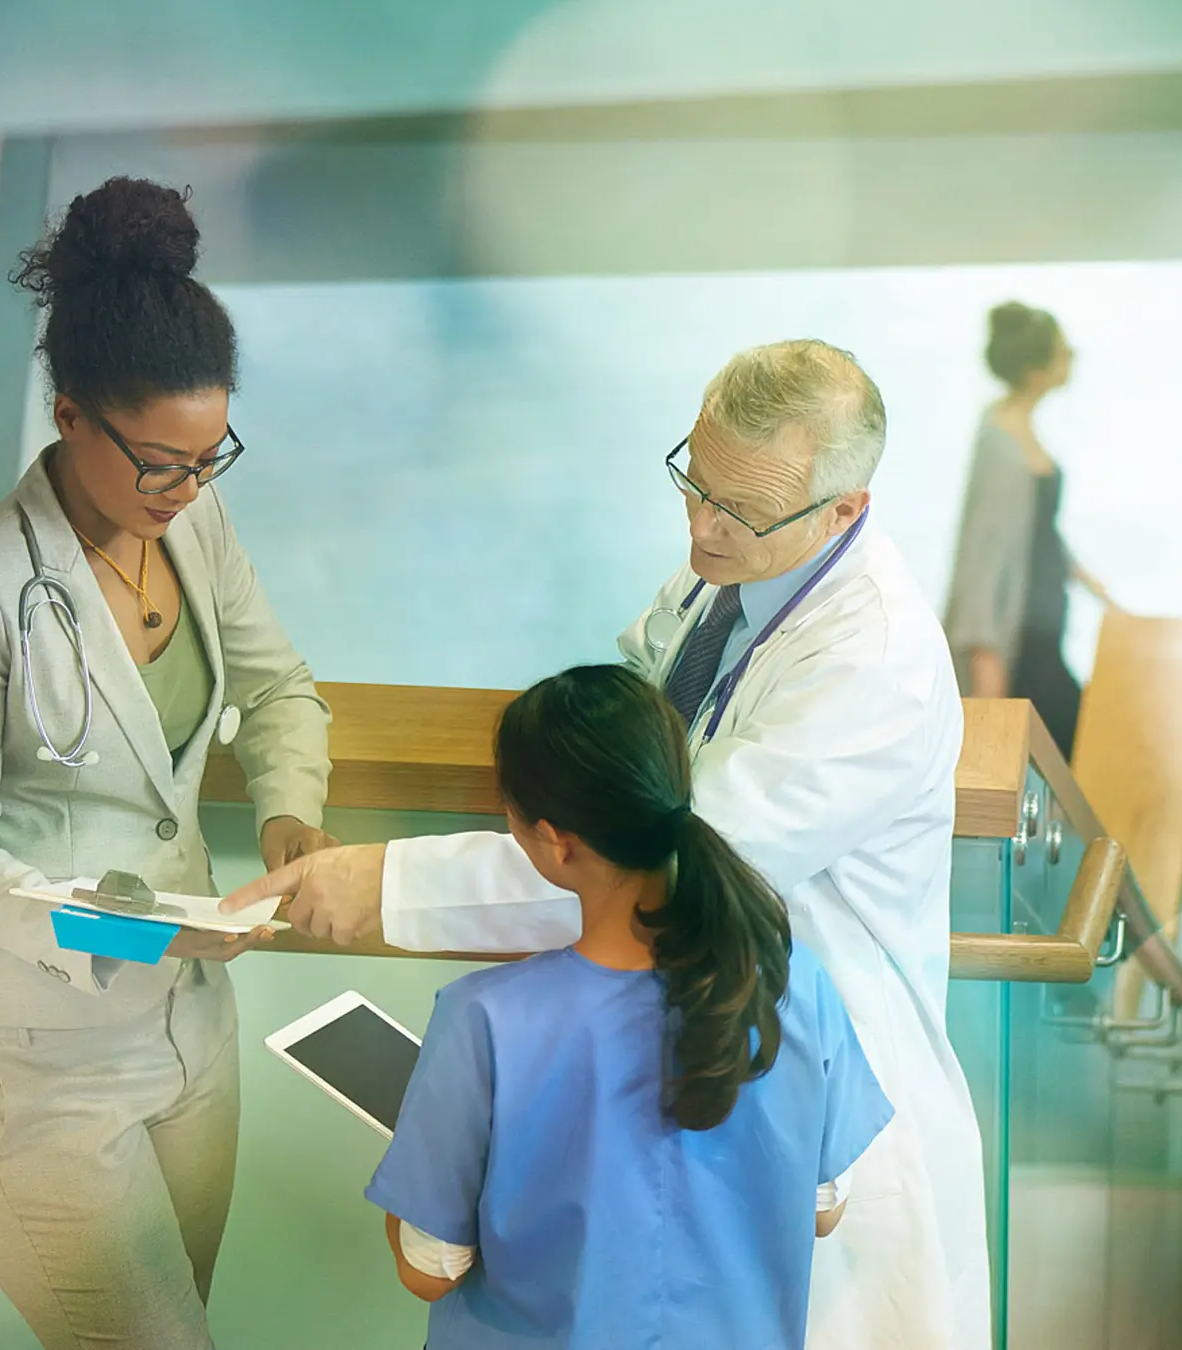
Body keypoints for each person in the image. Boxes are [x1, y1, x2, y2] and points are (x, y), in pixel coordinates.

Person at [227, 340, 992, 1348]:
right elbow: (644, 693)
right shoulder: (737, 567)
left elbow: (660, 858)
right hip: (702, 1059)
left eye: (741, 512)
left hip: (785, 1074)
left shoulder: (872, 661)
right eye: (695, 482)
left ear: (844, 509)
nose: (702, 527)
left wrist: (385, 882)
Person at [0, 177, 333, 1349]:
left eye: (211, 458)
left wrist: (291, 826)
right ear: (69, 417)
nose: (188, 489)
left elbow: (278, 689)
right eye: (161, 463)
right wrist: (140, 928)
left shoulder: (194, 524)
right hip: (35, 1061)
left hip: (189, 1036)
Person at [368, 665, 893, 1348]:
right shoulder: (792, 984)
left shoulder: (486, 1021)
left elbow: (430, 1267)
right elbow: (824, 1209)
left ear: (555, 842)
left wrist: (418, 1168)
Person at [944, 301, 1116, 758]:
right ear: (1038, 370)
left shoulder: (1021, 429)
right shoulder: (1000, 441)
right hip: (1021, 639)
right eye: (1064, 352)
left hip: (1044, 627)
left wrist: (1087, 580)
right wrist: (985, 657)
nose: (1072, 360)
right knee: (1072, 750)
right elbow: (984, 552)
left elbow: (1037, 530)